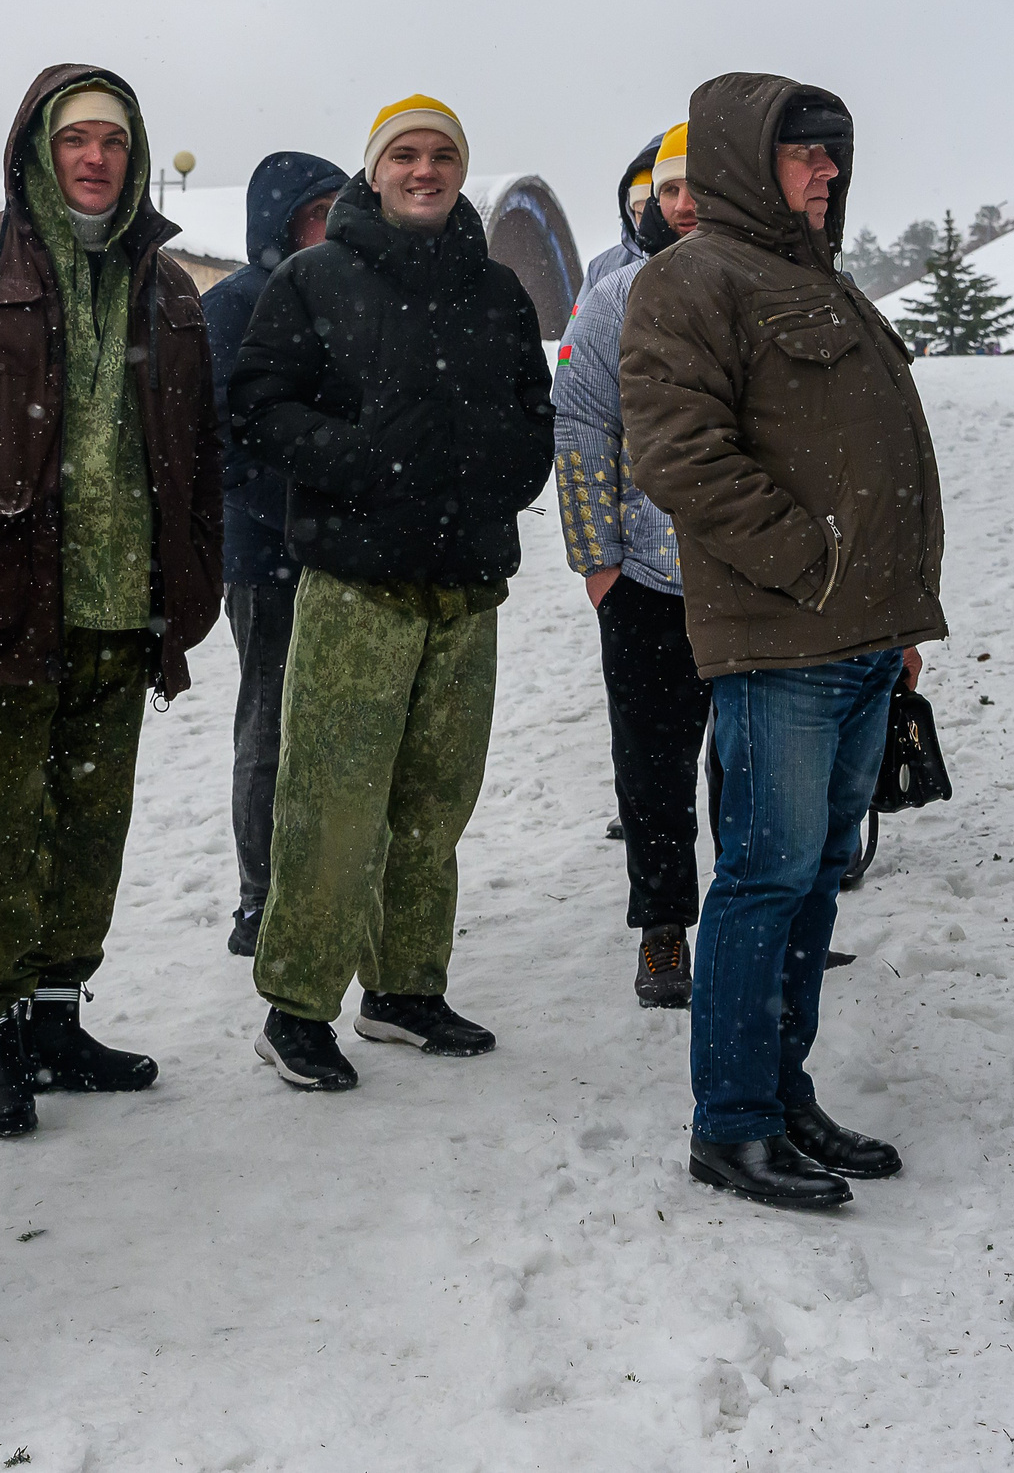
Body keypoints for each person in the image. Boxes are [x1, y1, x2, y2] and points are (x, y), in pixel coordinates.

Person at [0, 65, 223, 1140]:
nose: (95, 158)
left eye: (113, 142)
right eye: (74, 139)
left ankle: (57, 1021)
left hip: (121, 610)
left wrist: (188, 580)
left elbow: (196, 456)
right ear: (37, 149)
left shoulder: (166, 290)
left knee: (88, 829)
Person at [621, 75, 944, 1211]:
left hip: (860, 641)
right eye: (805, 155)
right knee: (762, 878)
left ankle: (782, 1092)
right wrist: (808, 565)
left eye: (834, 156)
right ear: (747, 162)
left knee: (812, 877)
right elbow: (676, 453)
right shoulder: (689, 279)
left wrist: (894, 618)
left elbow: (870, 456)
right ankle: (733, 1125)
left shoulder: (823, 283)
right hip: (780, 643)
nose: (827, 172)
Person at [230, 96, 554, 1091]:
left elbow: (529, 410)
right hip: (355, 590)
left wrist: (506, 472)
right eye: (404, 155)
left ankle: (405, 990)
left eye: (442, 154)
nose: (424, 169)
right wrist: (358, 460)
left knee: (432, 805)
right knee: (329, 807)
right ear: (372, 173)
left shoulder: (496, 292)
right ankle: (295, 1008)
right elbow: (256, 409)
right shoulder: (313, 280)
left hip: (464, 590)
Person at [554, 122, 706, 1008]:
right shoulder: (613, 298)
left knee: (756, 775)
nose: (683, 205)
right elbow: (578, 424)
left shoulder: (772, 287)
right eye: (669, 188)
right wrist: (597, 562)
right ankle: (662, 931)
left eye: (700, 187)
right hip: (647, 581)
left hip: (758, 582)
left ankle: (750, 928)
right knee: (652, 772)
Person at [199, 149, 348, 957]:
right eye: (317, 213)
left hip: (348, 557)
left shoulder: (349, 293)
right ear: (283, 220)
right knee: (270, 725)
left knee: (333, 727)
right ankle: (260, 896)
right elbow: (225, 444)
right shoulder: (235, 306)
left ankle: (324, 879)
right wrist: (304, 521)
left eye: (339, 210)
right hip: (267, 560)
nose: (331, 228)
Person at [577, 134, 664, 300]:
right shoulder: (603, 267)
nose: (646, 223)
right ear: (629, 213)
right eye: (639, 213)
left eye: (656, 212)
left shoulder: (714, 262)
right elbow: (579, 325)